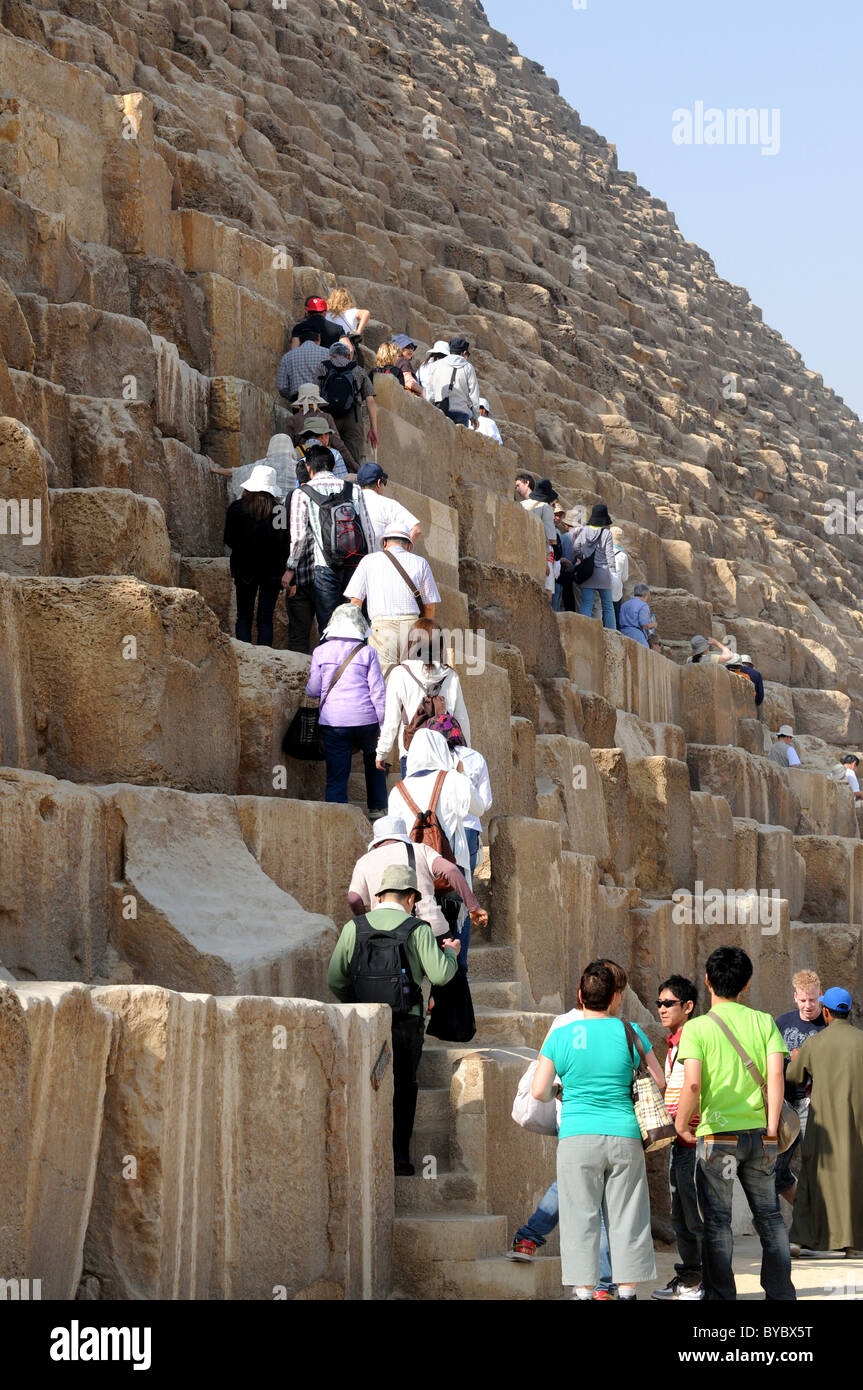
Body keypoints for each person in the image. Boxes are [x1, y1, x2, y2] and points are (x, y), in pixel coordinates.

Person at [532, 959, 661, 1300]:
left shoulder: (560, 1035)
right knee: (628, 1215)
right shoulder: (631, 1032)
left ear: (580, 995)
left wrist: (561, 1091)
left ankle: (584, 1292)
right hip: (624, 1133)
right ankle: (629, 1290)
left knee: (580, 1216)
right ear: (616, 998)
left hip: (577, 1135)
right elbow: (659, 1081)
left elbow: (539, 1091)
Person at [675, 945, 795, 1301]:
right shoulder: (763, 1022)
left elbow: (693, 1084)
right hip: (761, 1135)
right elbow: (776, 1077)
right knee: (770, 1217)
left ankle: (721, 1294)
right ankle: (780, 1294)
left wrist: (682, 1124)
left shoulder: (697, 1028)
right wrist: (772, 1129)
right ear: (746, 985)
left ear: (708, 982)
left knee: (717, 1220)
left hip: (718, 1136)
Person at [327, 864, 460, 1175]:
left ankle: (360, 1155)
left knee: (366, 1082)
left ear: (380, 895)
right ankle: (399, 1157)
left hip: (364, 1023)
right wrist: (452, 953)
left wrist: (359, 1006)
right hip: (405, 1023)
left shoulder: (354, 927)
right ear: (411, 897)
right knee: (403, 1087)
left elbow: (335, 979)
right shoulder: (418, 929)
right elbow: (440, 975)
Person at [787, 986, 863, 1256]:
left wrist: (796, 1059)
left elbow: (794, 1076)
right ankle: (855, 1244)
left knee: (812, 1178)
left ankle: (803, 1239)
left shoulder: (815, 1042)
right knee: (854, 1179)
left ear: (827, 1013)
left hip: (824, 1128)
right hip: (857, 1127)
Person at [304, 603, 387, 815]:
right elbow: (377, 692)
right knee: (373, 761)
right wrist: (383, 724)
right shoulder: (368, 652)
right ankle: (377, 808)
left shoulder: (320, 652)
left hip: (334, 722)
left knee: (337, 772)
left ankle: (338, 813)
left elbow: (313, 690)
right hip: (366, 720)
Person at [349, 815, 487, 941]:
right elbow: (451, 870)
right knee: (445, 965)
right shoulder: (421, 850)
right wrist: (473, 907)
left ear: (377, 842)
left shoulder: (364, 861)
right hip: (431, 929)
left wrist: (366, 923)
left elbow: (354, 898)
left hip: (386, 934)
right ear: (403, 835)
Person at [282, 444, 373, 633]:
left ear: (308, 468)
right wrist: (371, 563)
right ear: (333, 467)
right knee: (356, 623)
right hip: (355, 564)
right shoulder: (353, 489)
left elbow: (298, 537)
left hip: (324, 566)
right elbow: (367, 530)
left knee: (329, 625)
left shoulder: (302, 493)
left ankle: (332, 659)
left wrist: (291, 568)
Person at [651, 975, 704, 1300]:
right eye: (659, 1003)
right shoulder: (674, 1043)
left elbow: (694, 1088)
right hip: (679, 1144)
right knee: (679, 1217)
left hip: (695, 1141)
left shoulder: (694, 1039)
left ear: (688, 1006)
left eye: (668, 1003)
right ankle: (688, 1277)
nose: (661, 1009)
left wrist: (683, 1125)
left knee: (696, 1216)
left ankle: (703, 1280)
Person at [388, 729, 483, 902]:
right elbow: (478, 809)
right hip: (451, 860)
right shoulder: (454, 779)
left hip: (414, 866)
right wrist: (461, 774)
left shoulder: (397, 790)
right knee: (458, 913)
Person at [345, 521, 440, 677]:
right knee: (413, 679)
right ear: (408, 545)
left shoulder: (368, 561)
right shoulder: (421, 563)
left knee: (383, 679)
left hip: (382, 628)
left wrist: (357, 637)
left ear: (384, 542)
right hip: (413, 627)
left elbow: (355, 603)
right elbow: (429, 605)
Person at [376, 618, 470, 774]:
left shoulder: (400, 673)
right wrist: (465, 754)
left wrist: (382, 752)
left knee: (413, 797)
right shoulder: (451, 675)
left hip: (412, 749)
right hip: (444, 750)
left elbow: (392, 719)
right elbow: (461, 719)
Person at [774, 970, 826, 1207]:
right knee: (776, 1169)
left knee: (817, 1167)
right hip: (783, 1104)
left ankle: (819, 1224)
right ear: (795, 997)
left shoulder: (827, 1025)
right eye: (803, 1000)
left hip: (811, 1104)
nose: (808, 1005)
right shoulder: (782, 1023)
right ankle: (808, 1214)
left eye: (813, 1000)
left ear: (821, 996)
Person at [223, 464, 289, 647]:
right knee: (265, 618)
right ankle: (265, 657)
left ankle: (245, 656)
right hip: (272, 571)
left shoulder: (236, 508)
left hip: (244, 569)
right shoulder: (279, 511)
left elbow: (228, 539)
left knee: (243, 616)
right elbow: (283, 544)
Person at [317, 342, 378, 472]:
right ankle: (351, 483)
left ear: (331, 356)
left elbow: (315, 393)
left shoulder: (323, 366)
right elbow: (370, 400)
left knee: (328, 452)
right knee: (353, 456)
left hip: (329, 416)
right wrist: (374, 428)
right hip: (353, 417)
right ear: (348, 356)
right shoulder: (358, 369)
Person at [283, 383, 358, 472]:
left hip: (302, 465)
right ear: (318, 401)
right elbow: (340, 446)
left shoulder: (292, 420)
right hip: (325, 464)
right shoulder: (326, 417)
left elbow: (287, 449)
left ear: (300, 403)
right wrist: (356, 468)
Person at [210, 433, 298, 500]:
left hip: (267, 509)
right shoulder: (299, 466)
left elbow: (236, 472)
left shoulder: (263, 464)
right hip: (293, 508)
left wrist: (216, 470)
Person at [357, 462, 421, 551]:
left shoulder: (350, 502)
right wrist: (401, 554)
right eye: (384, 482)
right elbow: (416, 529)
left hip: (351, 562)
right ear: (379, 483)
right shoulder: (388, 504)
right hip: (380, 561)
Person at [573, 503, 616, 629]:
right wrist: (613, 571)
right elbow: (609, 554)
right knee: (608, 606)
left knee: (586, 604)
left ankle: (583, 630)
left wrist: (583, 557)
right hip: (603, 573)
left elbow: (576, 547)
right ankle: (612, 633)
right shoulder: (607, 533)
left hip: (588, 573)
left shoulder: (584, 531)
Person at [422, 335, 480, 425]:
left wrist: (430, 407)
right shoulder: (468, 367)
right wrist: (475, 416)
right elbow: (474, 394)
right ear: (464, 353)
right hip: (461, 411)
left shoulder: (435, 365)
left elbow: (429, 390)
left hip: (440, 410)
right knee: (459, 439)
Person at [520, 478, 559, 603]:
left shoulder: (521, 504)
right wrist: (545, 562)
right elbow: (550, 538)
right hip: (539, 554)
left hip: (522, 552)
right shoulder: (545, 508)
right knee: (547, 592)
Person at [276, 329, 331, 403]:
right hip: (322, 399)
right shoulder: (328, 353)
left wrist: (293, 398)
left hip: (299, 399)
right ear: (318, 339)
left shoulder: (287, 356)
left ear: (300, 341)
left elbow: (281, 386)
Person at [294, 415, 348, 480]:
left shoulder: (295, 453)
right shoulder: (334, 454)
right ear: (323, 436)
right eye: (328, 434)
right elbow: (342, 479)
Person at [551, 504, 575, 612]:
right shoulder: (550, 529)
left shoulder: (559, 533)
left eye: (560, 516)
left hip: (558, 572)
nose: (558, 518)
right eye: (556, 515)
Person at [610, 530, 629, 628]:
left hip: (603, 584)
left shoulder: (603, 550)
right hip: (617, 588)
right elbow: (625, 577)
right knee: (615, 613)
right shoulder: (623, 556)